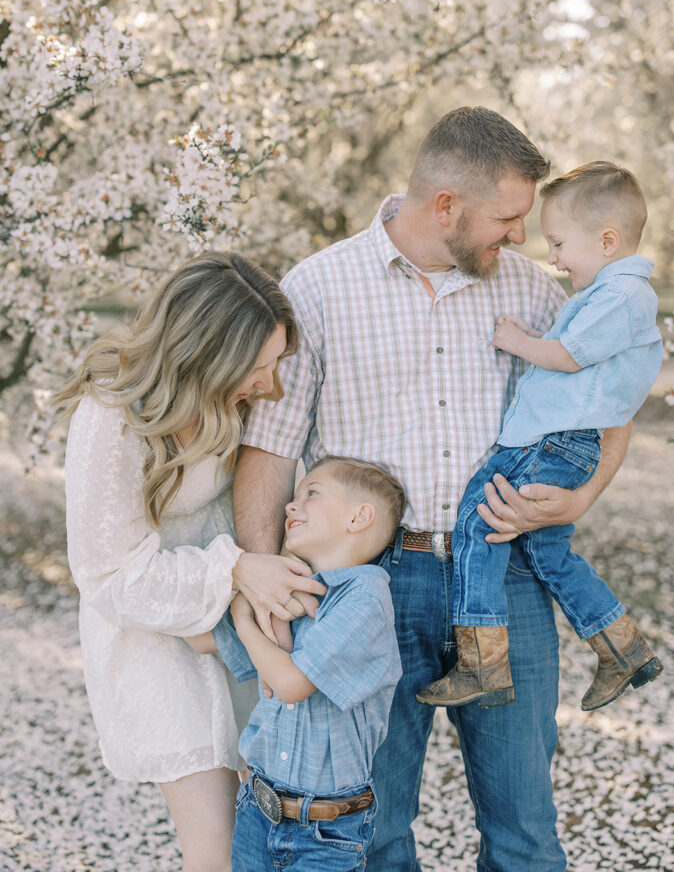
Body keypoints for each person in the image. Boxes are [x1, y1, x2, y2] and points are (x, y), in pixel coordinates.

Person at [232, 107, 633, 872]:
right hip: (367, 588)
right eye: (507, 217)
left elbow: (607, 400)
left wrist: (582, 497)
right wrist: (269, 576)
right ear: (445, 205)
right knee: (374, 826)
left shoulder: (533, 293)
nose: (519, 236)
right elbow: (269, 448)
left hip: (508, 575)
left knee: (523, 828)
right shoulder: (318, 288)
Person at [57, 252, 326, 872]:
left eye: (274, 364)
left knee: (268, 842)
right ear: (204, 355)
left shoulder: (233, 403)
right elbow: (108, 573)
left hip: (234, 629)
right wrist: (235, 569)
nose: (271, 386)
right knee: (217, 852)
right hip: (154, 638)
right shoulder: (112, 417)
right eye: (256, 368)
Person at [417, 161, 663, 713]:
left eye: (558, 243)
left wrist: (517, 341)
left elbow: (569, 357)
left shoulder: (621, 296)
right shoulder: (614, 296)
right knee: (548, 550)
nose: (551, 257)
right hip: (563, 442)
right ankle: (621, 645)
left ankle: (483, 661)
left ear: (606, 239)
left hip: (547, 441)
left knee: (477, 525)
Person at [187, 455, 405, 872]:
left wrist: (241, 616)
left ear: (359, 517)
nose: (291, 504)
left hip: (324, 833)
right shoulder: (292, 587)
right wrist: (236, 591)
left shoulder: (365, 598)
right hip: (256, 808)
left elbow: (290, 684)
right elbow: (200, 640)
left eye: (312, 493)